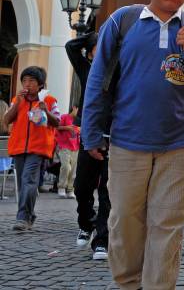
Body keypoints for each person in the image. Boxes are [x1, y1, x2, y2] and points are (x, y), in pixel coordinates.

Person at [82, 0, 184, 289]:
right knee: (124, 221)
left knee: (168, 223)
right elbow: (98, 80)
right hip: (128, 141)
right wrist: (92, 131)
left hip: (179, 144)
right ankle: (128, 283)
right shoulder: (122, 21)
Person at [65, 29, 111, 260]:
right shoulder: (87, 69)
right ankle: (87, 222)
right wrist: (97, 34)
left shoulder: (118, 69)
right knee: (82, 186)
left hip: (113, 136)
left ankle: (102, 240)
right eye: (98, 47)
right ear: (92, 52)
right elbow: (70, 46)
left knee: (107, 191)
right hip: (89, 133)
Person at [5, 66, 60, 231]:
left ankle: (22, 218)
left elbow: (57, 122)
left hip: (38, 148)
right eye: (24, 80)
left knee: (29, 181)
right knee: (24, 184)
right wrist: (17, 104)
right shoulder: (17, 99)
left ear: (40, 84)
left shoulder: (49, 100)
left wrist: (45, 110)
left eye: (31, 80)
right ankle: (30, 215)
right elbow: (6, 119)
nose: (27, 84)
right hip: (18, 147)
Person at [55, 104, 80, 199]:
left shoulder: (78, 120)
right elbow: (57, 127)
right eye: (77, 109)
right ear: (74, 108)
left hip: (75, 146)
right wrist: (67, 128)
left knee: (73, 170)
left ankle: (70, 189)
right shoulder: (64, 117)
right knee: (66, 166)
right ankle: (61, 187)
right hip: (64, 145)